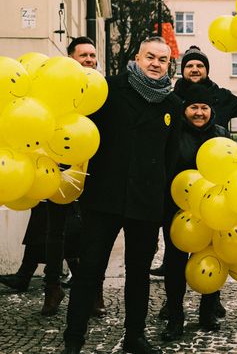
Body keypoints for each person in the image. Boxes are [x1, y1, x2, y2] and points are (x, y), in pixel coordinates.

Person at [62, 36, 182, 354]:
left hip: (145, 202)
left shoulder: (172, 104)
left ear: (169, 64)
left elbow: (170, 157)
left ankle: (135, 336)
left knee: (138, 274)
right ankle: (73, 339)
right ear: (137, 58)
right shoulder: (110, 90)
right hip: (105, 197)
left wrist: (159, 194)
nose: (156, 64)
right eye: (150, 57)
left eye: (163, 59)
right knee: (89, 271)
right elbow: (83, 134)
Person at [153, 45, 237, 321]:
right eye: (189, 65)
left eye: (200, 65)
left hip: (214, 197)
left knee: (214, 249)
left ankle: (211, 302)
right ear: (182, 70)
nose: (195, 69)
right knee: (176, 255)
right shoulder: (170, 99)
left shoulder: (220, 98)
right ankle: (173, 307)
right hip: (178, 197)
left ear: (207, 70)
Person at [0, 36, 105, 317]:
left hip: (94, 174)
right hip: (58, 171)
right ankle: (52, 288)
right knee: (55, 234)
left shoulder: (101, 91)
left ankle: (94, 292)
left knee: (90, 237)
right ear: (70, 58)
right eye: (83, 55)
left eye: (93, 55)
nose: (89, 60)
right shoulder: (54, 82)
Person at [160, 84, 230, 342]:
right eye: (193, 107)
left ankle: (207, 312)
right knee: (175, 264)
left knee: (212, 258)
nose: (199, 113)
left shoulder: (221, 135)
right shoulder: (173, 132)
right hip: (178, 212)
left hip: (214, 211)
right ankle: (175, 316)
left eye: (204, 107)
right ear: (184, 109)